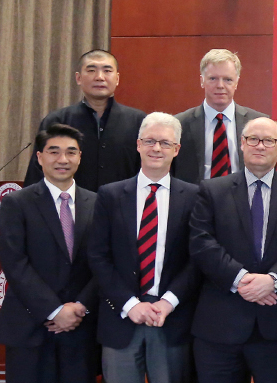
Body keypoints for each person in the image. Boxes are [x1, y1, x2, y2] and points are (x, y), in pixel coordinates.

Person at [187, 118, 277, 383]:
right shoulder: (212, 190)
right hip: (219, 325)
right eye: (253, 139)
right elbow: (201, 242)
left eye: (268, 140)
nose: (260, 146)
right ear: (242, 143)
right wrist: (242, 279)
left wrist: (273, 281)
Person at [88, 112, 201, 383]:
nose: (156, 148)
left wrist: (168, 302)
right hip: (121, 316)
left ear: (176, 149)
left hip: (171, 318)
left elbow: (197, 259)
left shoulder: (195, 197)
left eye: (165, 143)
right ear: (138, 145)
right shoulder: (110, 195)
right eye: (150, 141)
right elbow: (98, 256)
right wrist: (130, 305)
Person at [0, 124, 100, 383]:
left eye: (71, 152)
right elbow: (15, 263)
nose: (63, 159)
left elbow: (105, 261)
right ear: (40, 157)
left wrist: (80, 307)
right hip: (30, 325)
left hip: (81, 327)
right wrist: (54, 310)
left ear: (80, 157)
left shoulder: (99, 203)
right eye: (54, 152)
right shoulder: (17, 203)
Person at [24, 50, 146, 191]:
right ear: (78, 78)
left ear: (117, 78)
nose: (99, 77)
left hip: (124, 202)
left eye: (107, 71)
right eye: (91, 70)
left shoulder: (139, 121)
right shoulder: (57, 121)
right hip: (70, 203)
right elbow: (37, 173)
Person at [172, 49, 268, 184]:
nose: (220, 85)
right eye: (213, 79)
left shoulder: (258, 123)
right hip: (196, 196)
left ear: (237, 83)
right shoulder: (179, 124)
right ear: (202, 81)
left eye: (228, 79)